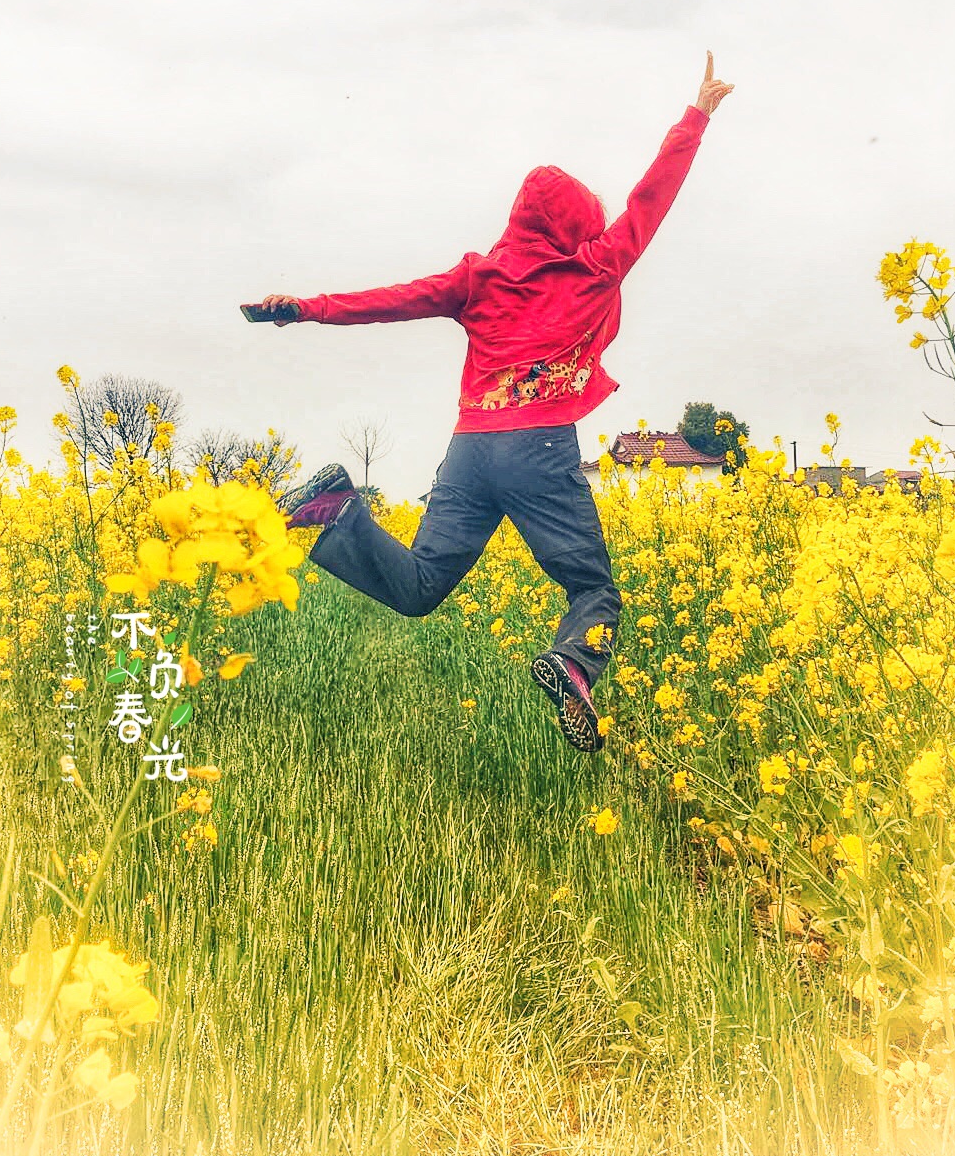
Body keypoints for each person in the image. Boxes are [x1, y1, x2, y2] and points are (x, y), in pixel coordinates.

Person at [256, 52, 734, 753]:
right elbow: (650, 199)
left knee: (419, 588)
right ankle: (573, 663)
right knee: (593, 592)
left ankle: (338, 502)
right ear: (575, 221)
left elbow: (389, 300)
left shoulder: (477, 278)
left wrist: (303, 308)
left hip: (471, 451)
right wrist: (696, 116)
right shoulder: (595, 265)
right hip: (538, 448)